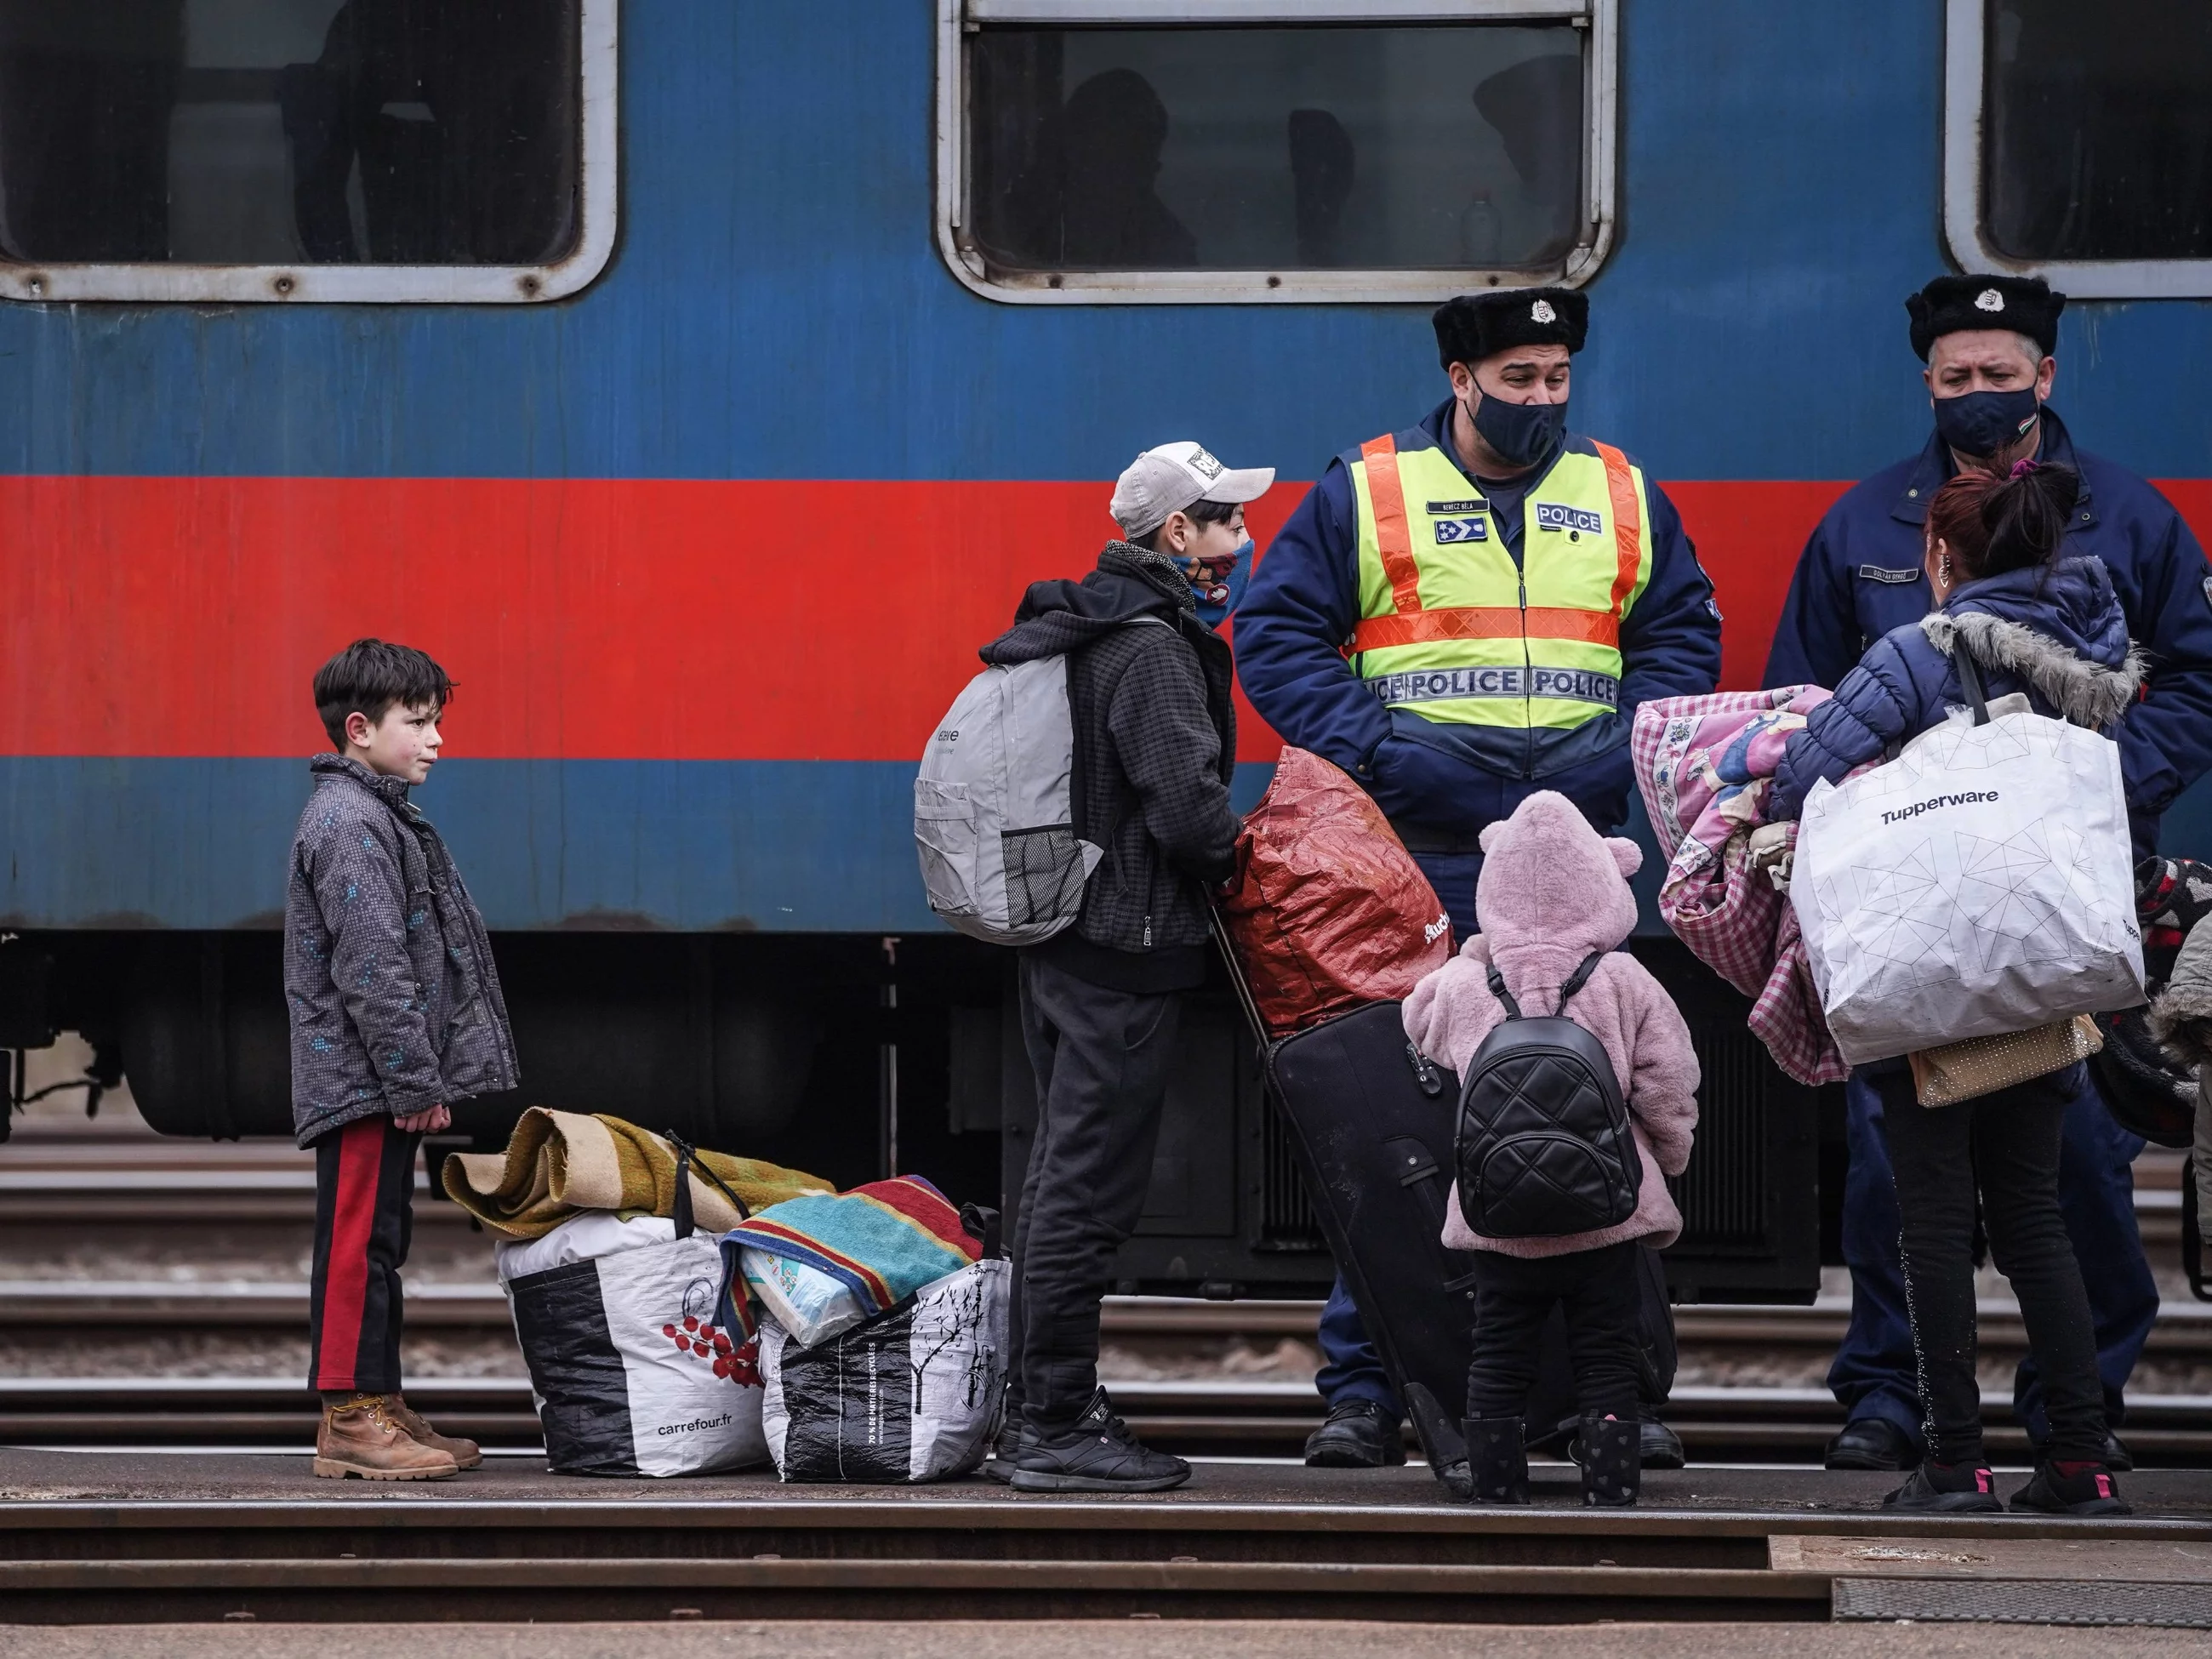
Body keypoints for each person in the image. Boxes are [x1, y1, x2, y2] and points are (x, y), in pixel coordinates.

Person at [1235, 287, 1722, 1468]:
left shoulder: (1620, 489)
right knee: (1410, 1126)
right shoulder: (1368, 490)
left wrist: (1619, 750)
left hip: (1577, 863)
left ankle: (1617, 1396)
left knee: (1590, 1111)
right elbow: (1278, 638)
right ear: (1462, 380)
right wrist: (1386, 753)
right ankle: (1370, 1386)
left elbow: (1680, 635)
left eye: (1557, 379)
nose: (1542, 401)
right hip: (1423, 854)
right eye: (1518, 381)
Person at [1763, 274, 2210, 1473]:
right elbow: (1799, 675)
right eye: (1956, 377)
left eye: (1999, 373)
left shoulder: (2134, 515)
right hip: (1923, 913)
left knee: (2064, 1171)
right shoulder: (1862, 521)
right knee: (1923, 1178)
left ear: (2046, 374)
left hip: (2057, 900)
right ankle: (1909, 1401)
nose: (1978, 393)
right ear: (1928, 382)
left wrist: (2108, 795)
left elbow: (1805, 741)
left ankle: (2064, 1402)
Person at [1765, 462, 2135, 1516]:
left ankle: (1954, 1460)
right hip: (2042, 971)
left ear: (1939, 558)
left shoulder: (1911, 654)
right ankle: (2079, 1456)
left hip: (1931, 970)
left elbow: (1806, 777)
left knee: (1930, 1222)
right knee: (2032, 1215)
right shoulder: (2092, 659)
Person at [988, 442, 1271, 1492]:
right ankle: (1051, 1422)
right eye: (1225, 523)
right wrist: (1247, 851)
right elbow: (1189, 813)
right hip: (1123, 948)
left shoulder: (1091, 623)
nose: (1240, 542)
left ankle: (1044, 1409)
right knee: (1086, 1189)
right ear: (1174, 536)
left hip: (1071, 939)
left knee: (1061, 1178)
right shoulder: (1148, 647)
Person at [1403, 791, 1700, 1508]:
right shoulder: (1624, 980)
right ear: (1606, 878)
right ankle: (1610, 1483)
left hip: (1495, 1213)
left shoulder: (1468, 983)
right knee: (1605, 1348)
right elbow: (1670, 1083)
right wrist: (1669, 1155)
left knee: (1499, 1349)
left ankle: (1498, 1485)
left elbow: (1417, 1026)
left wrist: (1477, 955)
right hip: (1606, 1210)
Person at [288, 638, 518, 1480]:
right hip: (361, 1080)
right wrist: (411, 1078)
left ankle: (376, 1401)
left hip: (372, 1076)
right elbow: (372, 966)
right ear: (360, 729)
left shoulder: (373, 813)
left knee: (381, 1239)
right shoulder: (350, 824)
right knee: (357, 1243)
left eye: (436, 722)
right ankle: (349, 1417)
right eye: (418, 723)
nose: (435, 741)